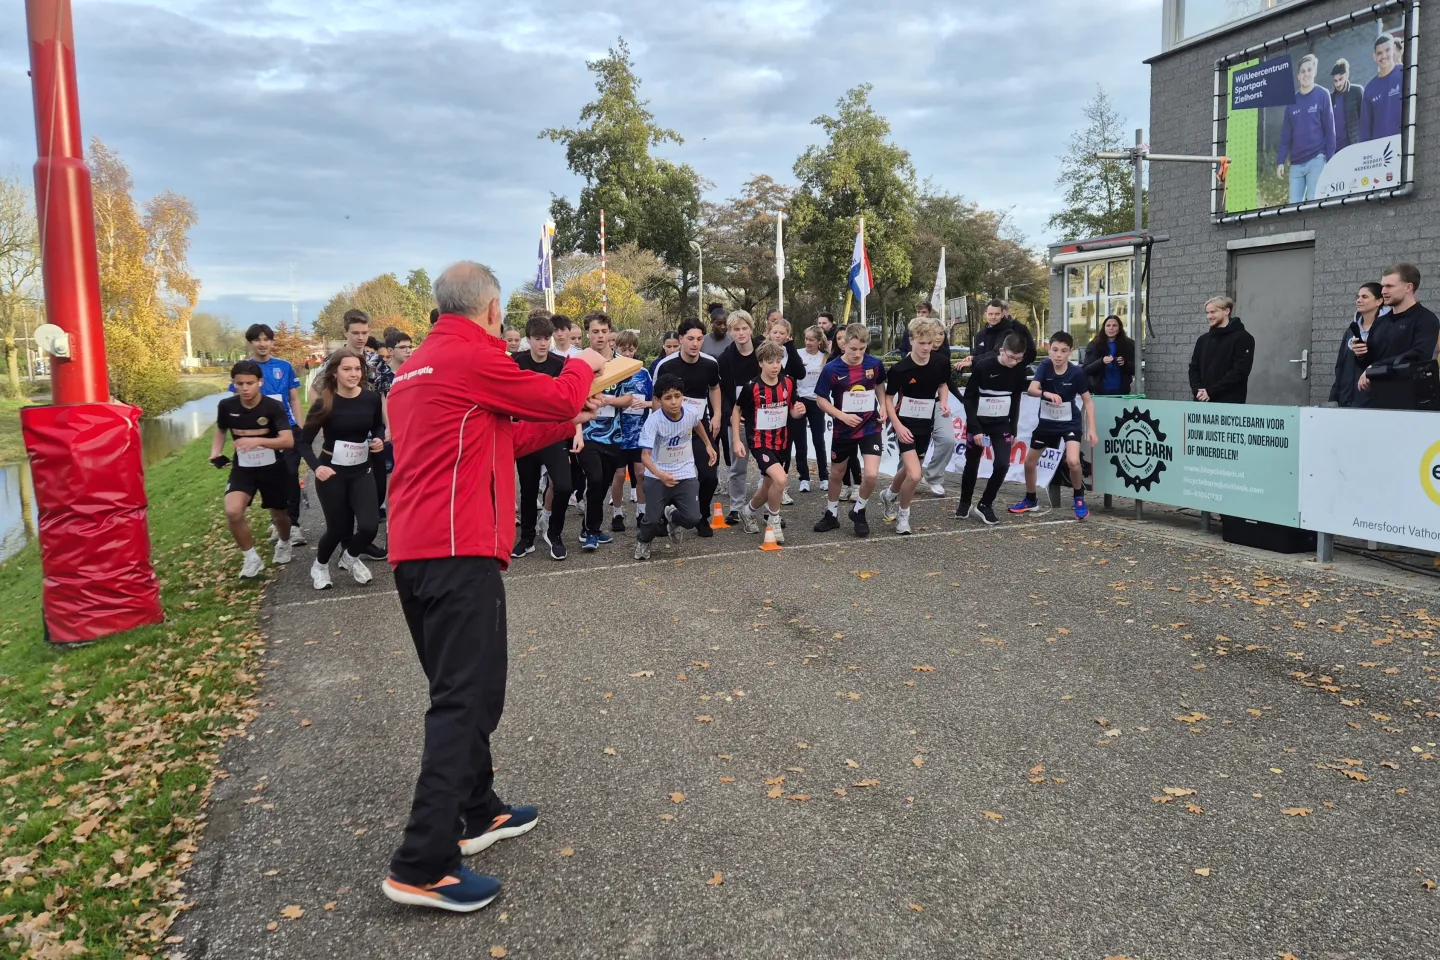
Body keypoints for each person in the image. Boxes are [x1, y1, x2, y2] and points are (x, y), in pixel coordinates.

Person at [382, 260, 604, 913]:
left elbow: (494, 441)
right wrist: (582, 361)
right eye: (502, 313)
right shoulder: (469, 356)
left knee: (464, 692)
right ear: (486, 310)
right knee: (464, 700)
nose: (504, 324)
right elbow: (560, 394)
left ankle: (478, 810)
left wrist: (567, 421)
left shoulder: (418, 367)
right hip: (457, 551)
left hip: (418, 554)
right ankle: (422, 862)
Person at [299, 349, 386, 589]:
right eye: (347, 369)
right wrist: (317, 468)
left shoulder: (370, 398)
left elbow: (378, 427)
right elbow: (303, 442)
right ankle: (319, 566)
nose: (353, 374)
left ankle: (350, 558)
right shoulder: (324, 403)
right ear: (335, 372)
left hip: (362, 470)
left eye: (357, 369)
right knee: (337, 529)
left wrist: (378, 439)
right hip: (332, 472)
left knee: (369, 527)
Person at [211, 360, 295, 578]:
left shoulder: (272, 407)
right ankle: (251, 558)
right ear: (234, 385)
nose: (245, 388)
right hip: (244, 468)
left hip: (273, 468)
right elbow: (221, 430)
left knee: (279, 516)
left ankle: (285, 542)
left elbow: (287, 441)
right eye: (240, 384)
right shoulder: (226, 406)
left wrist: (258, 441)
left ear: (260, 382)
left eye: (250, 383)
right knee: (233, 510)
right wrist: (215, 452)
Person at [1010, 331, 1097, 520]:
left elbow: (1088, 401)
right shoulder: (1044, 367)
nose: (1058, 355)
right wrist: (1047, 394)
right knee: (1029, 462)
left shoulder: (1076, 373)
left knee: (1073, 461)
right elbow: (1032, 389)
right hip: (1047, 423)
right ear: (1049, 350)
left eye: (1063, 351)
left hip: (1069, 422)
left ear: (1070, 352)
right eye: (1055, 350)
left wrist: (1092, 429)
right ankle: (1031, 499)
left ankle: (1079, 498)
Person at [234, 323, 306, 546]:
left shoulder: (283, 366)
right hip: (261, 433)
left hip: (287, 429)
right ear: (251, 343)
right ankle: (277, 521)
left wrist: (301, 427)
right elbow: (236, 401)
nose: (262, 344)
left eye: (266, 339)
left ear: (272, 342)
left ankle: (293, 524)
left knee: (291, 473)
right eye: (257, 340)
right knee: (269, 477)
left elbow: (293, 398)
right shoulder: (245, 370)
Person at [880, 317, 953, 535]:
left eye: (930, 343)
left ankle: (889, 494)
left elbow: (942, 385)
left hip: (925, 425)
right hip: (904, 424)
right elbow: (888, 399)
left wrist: (944, 403)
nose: (926, 348)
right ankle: (903, 516)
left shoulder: (940, 363)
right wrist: (897, 426)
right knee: (914, 474)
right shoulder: (899, 370)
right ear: (911, 340)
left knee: (908, 470)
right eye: (921, 343)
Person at [633, 374, 718, 560]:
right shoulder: (653, 421)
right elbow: (645, 457)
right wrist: (660, 474)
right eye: (668, 398)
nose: (674, 402)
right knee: (653, 520)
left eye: (677, 396)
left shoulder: (690, 413)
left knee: (694, 518)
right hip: (657, 474)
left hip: (685, 471)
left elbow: (697, 425)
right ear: (658, 400)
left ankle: (673, 518)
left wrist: (708, 445)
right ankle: (644, 540)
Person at [813, 323, 886, 537]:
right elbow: (820, 399)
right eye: (853, 349)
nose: (857, 354)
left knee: (871, 474)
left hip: (870, 426)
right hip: (843, 429)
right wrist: (841, 415)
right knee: (837, 473)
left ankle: (859, 511)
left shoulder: (875, 364)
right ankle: (831, 514)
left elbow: (880, 384)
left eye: (862, 349)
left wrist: (882, 405)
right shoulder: (832, 368)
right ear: (844, 344)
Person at [652, 318, 723, 537]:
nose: (695, 344)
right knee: (670, 475)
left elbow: (715, 387)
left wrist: (718, 414)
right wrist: (660, 427)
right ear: (681, 339)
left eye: (700, 339)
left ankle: (702, 516)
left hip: (699, 428)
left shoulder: (710, 363)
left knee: (709, 475)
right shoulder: (667, 365)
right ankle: (666, 514)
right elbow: (656, 399)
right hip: (672, 431)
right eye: (690, 339)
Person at [512, 315, 574, 560]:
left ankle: (554, 534)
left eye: (547, 338)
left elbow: (572, 401)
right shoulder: (516, 362)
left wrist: (576, 431)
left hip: (553, 433)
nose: (543, 343)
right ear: (528, 339)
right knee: (527, 490)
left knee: (564, 486)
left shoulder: (561, 363)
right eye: (538, 338)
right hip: (526, 434)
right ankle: (527, 538)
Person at [733, 341, 807, 539]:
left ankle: (747, 512)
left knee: (768, 485)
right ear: (760, 363)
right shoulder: (752, 387)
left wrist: (798, 412)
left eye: (778, 361)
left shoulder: (789, 382)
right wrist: (736, 441)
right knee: (781, 479)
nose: (775, 366)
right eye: (769, 362)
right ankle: (774, 520)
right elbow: (736, 409)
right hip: (759, 441)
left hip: (781, 441)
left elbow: (792, 410)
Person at [574, 312, 634, 550]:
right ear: (587, 333)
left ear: (610, 332)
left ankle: (593, 528)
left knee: (604, 483)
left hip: (614, 436)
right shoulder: (579, 362)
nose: (599, 336)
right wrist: (577, 431)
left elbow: (629, 398)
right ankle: (590, 532)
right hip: (588, 434)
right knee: (595, 479)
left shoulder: (621, 363)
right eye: (594, 331)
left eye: (603, 331)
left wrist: (609, 400)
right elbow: (571, 401)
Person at [956, 335, 1029, 525]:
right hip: (979, 422)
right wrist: (976, 428)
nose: (1014, 362)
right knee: (972, 464)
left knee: (1003, 464)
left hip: (1001, 424)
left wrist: (1013, 429)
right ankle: (965, 502)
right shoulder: (983, 366)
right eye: (1011, 357)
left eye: (1018, 358)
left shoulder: (1019, 370)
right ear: (1002, 351)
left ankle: (985, 504)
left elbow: (1016, 400)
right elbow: (969, 398)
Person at [1356, 263, 1440, 410]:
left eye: (1389, 286)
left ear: (1408, 287)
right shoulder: (1380, 322)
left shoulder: (1426, 319)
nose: (1383, 291)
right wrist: (1361, 354)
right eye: (1383, 286)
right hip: (1376, 400)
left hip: (1410, 402)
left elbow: (1419, 355)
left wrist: (1376, 367)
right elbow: (1372, 360)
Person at [718, 311, 760, 524]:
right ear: (730, 331)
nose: (741, 333)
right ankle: (736, 507)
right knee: (738, 467)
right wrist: (730, 416)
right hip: (738, 420)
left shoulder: (763, 351)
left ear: (751, 329)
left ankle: (769, 507)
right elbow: (724, 393)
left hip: (764, 418)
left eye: (744, 328)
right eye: (736, 329)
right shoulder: (725, 358)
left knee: (769, 467)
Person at [762, 314, 809, 503]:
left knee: (786, 445)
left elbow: (800, 373)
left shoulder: (791, 352)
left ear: (788, 335)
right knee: (768, 445)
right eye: (774, 332)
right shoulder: (763, 351)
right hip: (768, 404)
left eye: (782, 333)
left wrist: (790, 348)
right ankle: (767, 481)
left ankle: (782, 486)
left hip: (789, 403)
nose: (777, 336)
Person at [609, 329, 652, 532]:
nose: (628, 354)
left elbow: (656, 401)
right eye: (623, 350)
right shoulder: (611, 372)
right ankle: (617, 512)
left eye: (631, 350)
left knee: (640, 473)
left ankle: (642, 511)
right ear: (616, 349)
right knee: (618, 474)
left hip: (639, 433)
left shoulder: (644, 374)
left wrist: (646, 404)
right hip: (616, 433)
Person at [1277, 54, 1336, 204]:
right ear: (1298, 76)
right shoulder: (1291, 103)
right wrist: (1280, 161)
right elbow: (1285, 136)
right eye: (1303, 71)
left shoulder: (1322, 95)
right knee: (1293, 207)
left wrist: (1330, 159)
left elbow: (1330, 129)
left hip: (1316, 160)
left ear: (1314, 72)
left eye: (1309, 70)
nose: (1306, 74)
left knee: (1314, 205)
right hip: (1296, 164)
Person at [1328, 282, 1387, 408]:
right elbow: (1341, 365)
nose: (1358, 300)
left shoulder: (1387, 330)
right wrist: (1334, 396)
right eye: (1358, 297)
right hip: (1346, 397)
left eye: (1364, 297)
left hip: (1372, 400)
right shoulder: (1351, 330)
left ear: (1379, 301)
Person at [1188, 296, 1255, 404]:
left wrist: (1211, 392)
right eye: (1207, 313)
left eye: (1213, 312)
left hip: (1229, 405)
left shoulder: (1243, 338)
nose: (1209, 316)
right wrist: (1198, 389)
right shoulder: (1203, 340)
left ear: (1226, 311)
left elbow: (1240, 371)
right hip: (1202, 403)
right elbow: (1194, 367)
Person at [793, 324, 830, 493]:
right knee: (800, 441)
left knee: (818, 440)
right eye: (806, 339)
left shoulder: (825, 356)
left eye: (812, 340)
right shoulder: (798, 354)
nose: (808, 342)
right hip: (800, 400)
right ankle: (804, 478)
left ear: (819, 341)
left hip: (817, 401)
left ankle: (824, 476)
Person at [1360, 34, 1402, 143]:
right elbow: (1366, 128)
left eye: (1387, 50)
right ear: (1374, 57)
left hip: (1404, 142)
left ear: (1393, 50)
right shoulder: (1369, 89)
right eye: (1379, 53)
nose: (1383, 56)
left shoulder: (1405, 73)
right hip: (1380, 151)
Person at [1082, 315, 1136, 396]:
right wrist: (1101, 361)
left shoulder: (1129, 344)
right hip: (1099, 392)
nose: (1111, 328)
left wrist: (1124, 363)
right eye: (1108, 325)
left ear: (1119, 328)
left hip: (1122, 392)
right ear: (1104, 328)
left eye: (1114, 325)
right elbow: (1086, 369)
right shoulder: (1094, 345)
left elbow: (1135, 370)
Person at [1331, 58, 1363, 152]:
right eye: (1335, 81)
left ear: (1347, 75)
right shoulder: (1330, 99)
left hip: (1355, 146)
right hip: (1336, 151)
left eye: (1340, 79)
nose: (1338, 84)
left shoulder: (1357, 92)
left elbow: (1365, 119)